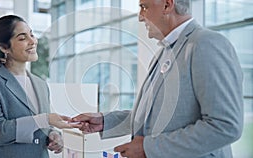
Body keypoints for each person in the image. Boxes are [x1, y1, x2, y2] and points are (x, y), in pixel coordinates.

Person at [72, 0, 244, 157]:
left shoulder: (206, 44)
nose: (140, 17)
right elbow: (158, 116)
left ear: (167, 5)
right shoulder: (166, 51)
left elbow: (225, 126)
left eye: (144, 7)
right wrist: (105, 122)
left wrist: (148, 148)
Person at [0, 15, 77, 158]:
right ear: (4, 47)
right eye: (22, 38)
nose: (32, 41)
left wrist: (53, 135)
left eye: (32, 35)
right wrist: (44, 120)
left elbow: (40, 124)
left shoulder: (40, 84)